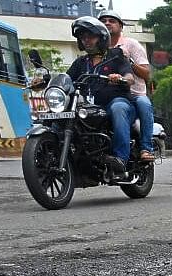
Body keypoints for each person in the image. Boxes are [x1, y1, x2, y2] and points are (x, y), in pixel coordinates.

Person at [66, 17, 135, 173]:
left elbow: (130, 78)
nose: (86, 40)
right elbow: (66, 79)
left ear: (102, 38)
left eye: (90, 36)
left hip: (115, 104)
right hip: (88, 108)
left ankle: (120, 158)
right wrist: (45, 81)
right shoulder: (80, 63)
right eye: (83, 38)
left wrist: (120, 78)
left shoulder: (116, 56)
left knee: (118, 108)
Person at [99, 10, 155, 162]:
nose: (107, 23)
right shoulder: (97, 48)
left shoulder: (131, 44)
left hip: (135, 94)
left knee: (144, 104)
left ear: (121, 26)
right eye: (103, 21)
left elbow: (147, 74)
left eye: (112, 20)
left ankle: (146, 148)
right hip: (111, 95)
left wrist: (127, 61)